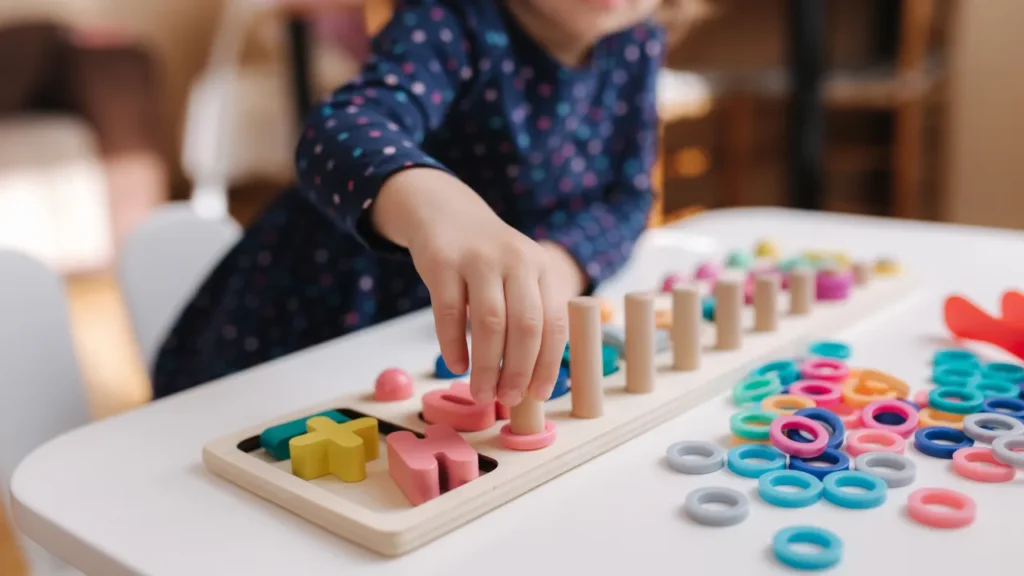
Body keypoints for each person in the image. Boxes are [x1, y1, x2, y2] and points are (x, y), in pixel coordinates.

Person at [152, 0, 686, 408]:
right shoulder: (448, 20)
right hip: (333, 306)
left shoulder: (635, 39)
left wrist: (563, 263)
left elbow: (629, 195)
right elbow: (338, 130)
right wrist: (436, 204)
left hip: (463, 321)